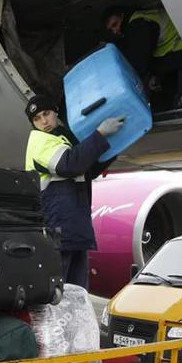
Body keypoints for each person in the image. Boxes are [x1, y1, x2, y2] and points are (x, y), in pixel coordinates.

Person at [24, 95, 124, 289]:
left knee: (75, 293)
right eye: (37, 119)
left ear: (55, 112)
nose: (43, 121)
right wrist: (100, 135)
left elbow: (85, 171)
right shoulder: (40, 141)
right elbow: (70, 165)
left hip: (73, 227)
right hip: (59, 228)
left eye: (46, 114)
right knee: (59, 293)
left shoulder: (61, 138)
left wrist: (111, 149)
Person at [102, 5, 182, 110]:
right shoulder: (142, 18)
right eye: (111, 29)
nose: (116, 30)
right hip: (180, 56)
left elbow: (139, 62)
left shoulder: (138, 24)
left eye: (115, 24)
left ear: (122, 16)